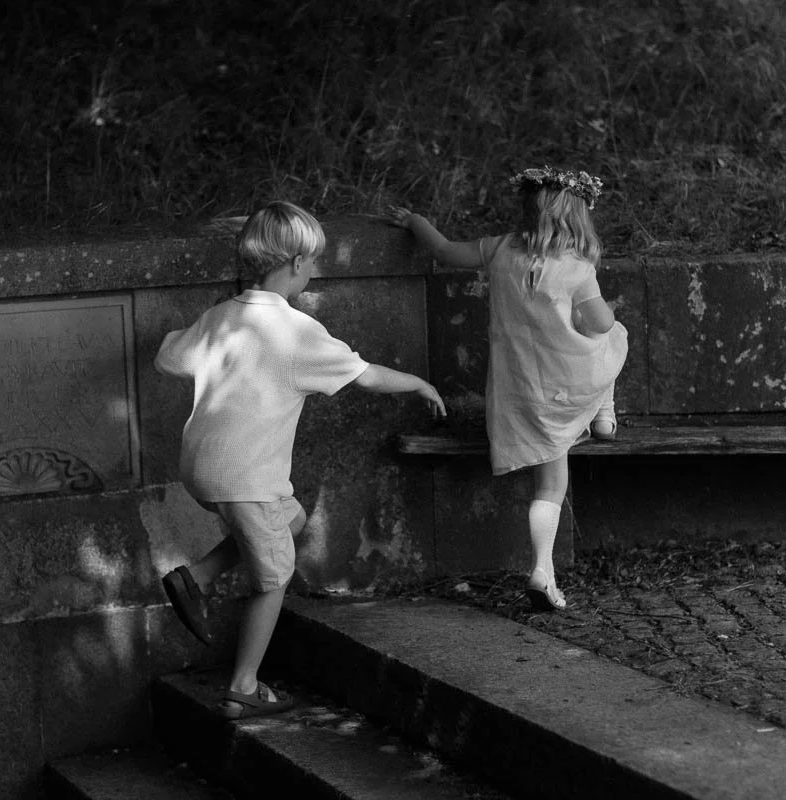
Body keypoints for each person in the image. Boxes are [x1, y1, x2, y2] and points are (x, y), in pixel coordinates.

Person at [156, 200, 446, 719]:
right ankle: (242, 686)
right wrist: (419, 383)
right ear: (293, 263)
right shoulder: (295, 331)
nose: (313, 271)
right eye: (312, 262)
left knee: (292, 519)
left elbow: (167, 356)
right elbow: (368, 375)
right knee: (273, 577)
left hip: (201, 467)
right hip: (245, 476)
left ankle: (197, 576)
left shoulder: (223, 316)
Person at [388, 166, 627, 612]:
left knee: (546, 477)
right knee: (615, 338)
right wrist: (593, 313)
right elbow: (602, 324)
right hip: (563, 389)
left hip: (517, 393)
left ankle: (543, 568)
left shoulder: (499, 249)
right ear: (577, 217)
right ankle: (542, 565)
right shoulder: (577, 268)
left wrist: (415, 221)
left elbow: (442, 250)